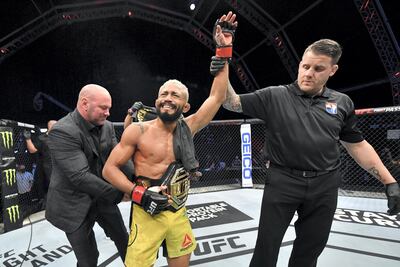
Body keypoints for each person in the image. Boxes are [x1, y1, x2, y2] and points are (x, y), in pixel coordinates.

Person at [212, 38, 400, 266]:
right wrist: (223, 61)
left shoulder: (342, 103)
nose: (309, 73)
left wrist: (389, 181)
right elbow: (231, 102)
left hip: (325, 184)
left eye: (318, 68)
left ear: (333, 70)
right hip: (282, 181)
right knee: (266, 249)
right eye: (305, 66)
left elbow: (357, 145)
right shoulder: (275, 96)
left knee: (310, 250)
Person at [102, 11, 236, 267]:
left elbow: (217, 97)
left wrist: (224, 50)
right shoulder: (137, 131)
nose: (168, 98)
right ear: (156, 101)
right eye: (164, 93)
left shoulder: (189, 126)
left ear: (185, 106)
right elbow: (109, 169)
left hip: (178, 211)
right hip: (146, 212)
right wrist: (138, 193)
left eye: (175, 95)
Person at [46, 84, 131, 267]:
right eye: (104, 107)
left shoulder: (107, 126)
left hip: (101, 195)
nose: (108, 113)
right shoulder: (62, 131)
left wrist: (138, 183)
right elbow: (79, 176)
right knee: (88, 259)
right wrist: (120, 193)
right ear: (85, 104)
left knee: (124, 240)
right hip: (73, 202)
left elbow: (119, 157)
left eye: (109, 108)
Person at [24, 120, 57, 208]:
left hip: (59, 165)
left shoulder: (60, 138)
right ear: (50, 127)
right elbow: (32, 150)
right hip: (48, 167)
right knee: (51, 186)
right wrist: (27, 139)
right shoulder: (43, 138)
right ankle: (48, 204)